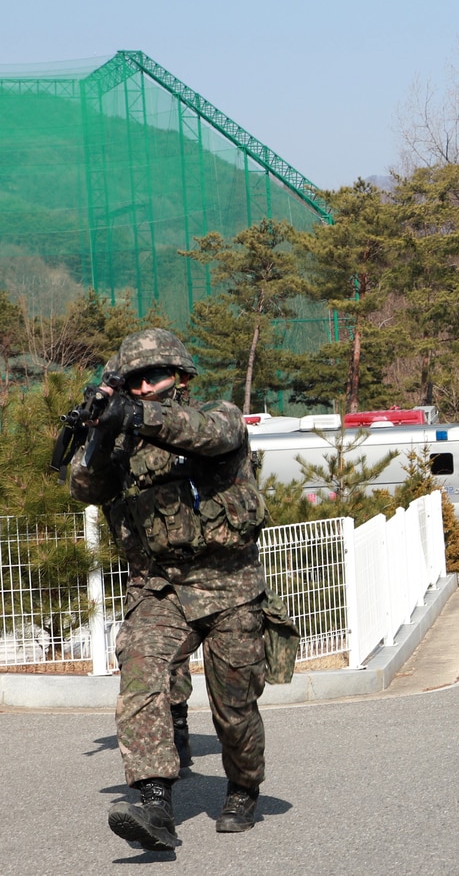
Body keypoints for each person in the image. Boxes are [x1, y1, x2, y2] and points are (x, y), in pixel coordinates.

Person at [68, 329, 270, 851]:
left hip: (230, 588)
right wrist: (99, 435)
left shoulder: (216, 414)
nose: (143, 387)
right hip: (163, 592)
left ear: (180, 377)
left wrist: (136, 417)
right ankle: (155, 803)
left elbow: (210, 435)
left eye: (152, 376)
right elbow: (85, 487)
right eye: (133, 381)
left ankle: (244, 787)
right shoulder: (125, 438)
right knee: (140, 673)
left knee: (235, 710)